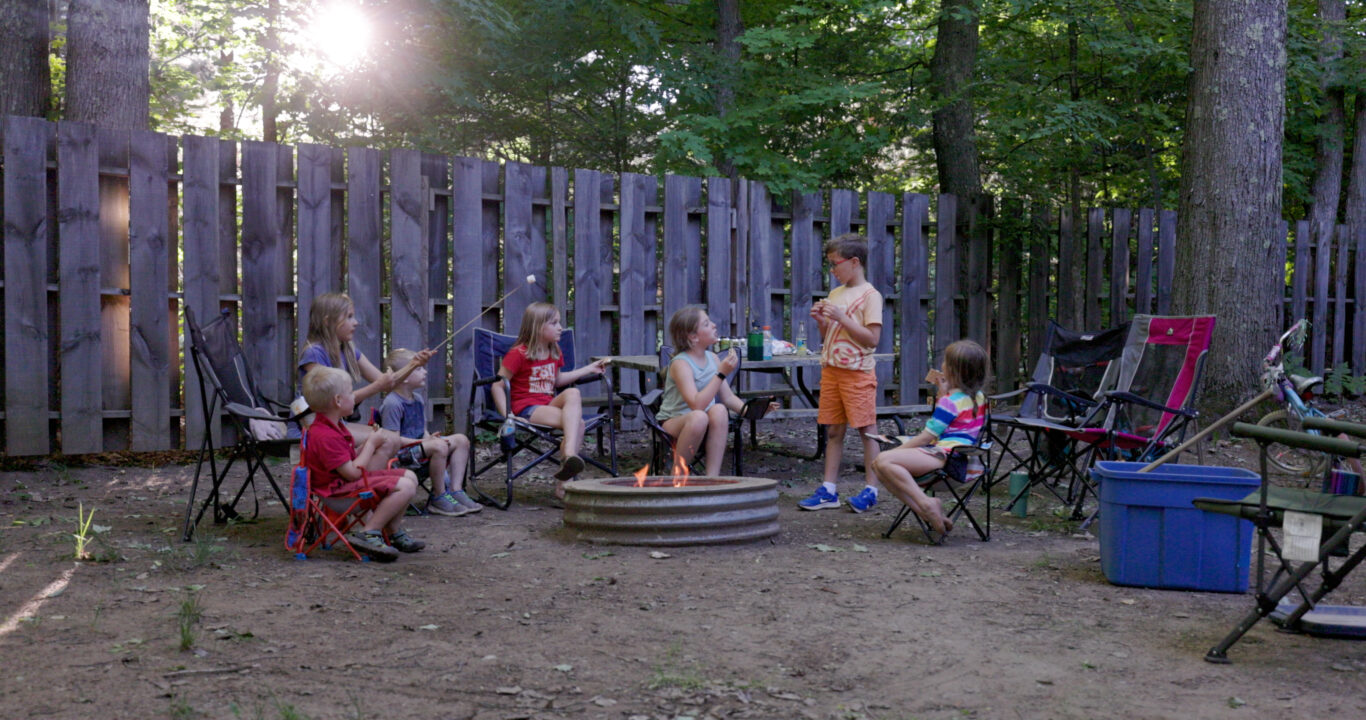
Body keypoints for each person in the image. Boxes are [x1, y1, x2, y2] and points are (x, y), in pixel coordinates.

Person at [301, 365, 426, 562]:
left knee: (409, 476)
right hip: (339, 494)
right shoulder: (325, 435)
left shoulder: (334, 426)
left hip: (345, 486)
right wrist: (370, 445)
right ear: (338, 401)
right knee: (404, 486)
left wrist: (365, 448)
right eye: (350, 392)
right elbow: (351, 473)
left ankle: (392, 532)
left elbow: (347, 461)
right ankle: (369, 532)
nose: (354, 396)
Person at [799, 233, 885, 512]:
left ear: (854, 262)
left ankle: (871, 489)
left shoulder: (871, 296)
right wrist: (822, 322)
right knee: (834, 430)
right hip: (832, 371)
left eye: (835, 264)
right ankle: (829, 490)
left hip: (857, 373)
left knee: (866, 431)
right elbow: (830, 335)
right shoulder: (835, 294)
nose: (832, 270)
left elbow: (871, 339)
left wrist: (843, 318)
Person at [491, 302, 609, 499]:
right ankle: (564, 484)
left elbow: (557, 381)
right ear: (538, 327)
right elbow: (497, 385)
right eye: (554, 323)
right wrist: (508, 416)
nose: (560, 327)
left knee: (573, 394)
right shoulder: (518, 354)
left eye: (559, 323)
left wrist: (589, 369)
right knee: (577, 424)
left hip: (547, 404)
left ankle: (569, 454)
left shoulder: (554, 351)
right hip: (526, 408)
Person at [870, 339, 989, 535]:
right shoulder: (978, 397)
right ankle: (930, 513)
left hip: (946, 459)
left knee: (882, 461)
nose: (941, 365)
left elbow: (926, 438)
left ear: (952, 371)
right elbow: (956, 423)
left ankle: (926, 503)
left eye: (945, 362)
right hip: (965, 461)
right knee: (879, 465)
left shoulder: (950, 403)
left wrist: (895, 451)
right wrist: (944, 395)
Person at [297, 292, 432, 459]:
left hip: (337, 423)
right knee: (387, 440)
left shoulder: (348, 350)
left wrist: (413, 365)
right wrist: (377, 387)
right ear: (328, 322)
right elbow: (332, 402)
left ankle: (370, 480)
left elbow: (388, 382)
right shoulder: (313, 354)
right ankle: (362, 480)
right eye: (349, 317)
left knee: (391, 439)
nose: (356, 322)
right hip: (314, 425)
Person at [657, 306, 775, 477]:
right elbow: (696, 405)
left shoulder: (712, 358)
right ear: (693, 337)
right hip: (674, 421)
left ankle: (712, 478)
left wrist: (754, 410)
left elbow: (727, 397)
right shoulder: (680, 364)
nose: (713, 325)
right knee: (699, 416)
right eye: (706, 324)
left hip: (703, 419)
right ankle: (677, 477)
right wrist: (721, 374)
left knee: (719, 409)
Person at [380, 348, 480, 517]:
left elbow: (421, 430)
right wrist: (425, 444)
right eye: (418, 369)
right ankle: (438, 497)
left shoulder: (418, 399)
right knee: (439, 447)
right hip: (402, 457)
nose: (424, 371)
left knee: (461, 440)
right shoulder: (392, 403)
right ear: (404, 377)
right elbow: (392, 441)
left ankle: (455, 490)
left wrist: (428, 438)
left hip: (420, 449)